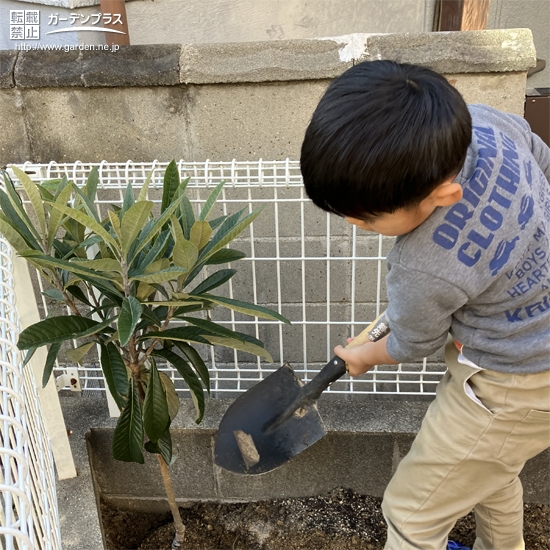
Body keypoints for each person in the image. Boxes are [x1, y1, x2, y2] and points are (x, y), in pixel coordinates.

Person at [300, 60, 550, 550]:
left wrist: (363, 356)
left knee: (411, 516)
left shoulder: (422, 266)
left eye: (368, 219)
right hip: (534, 361)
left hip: (510, 387)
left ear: (444, 194)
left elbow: (416, 339)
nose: (355, 223)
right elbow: (544, 162)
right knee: (487, 471)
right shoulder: (487, 124)